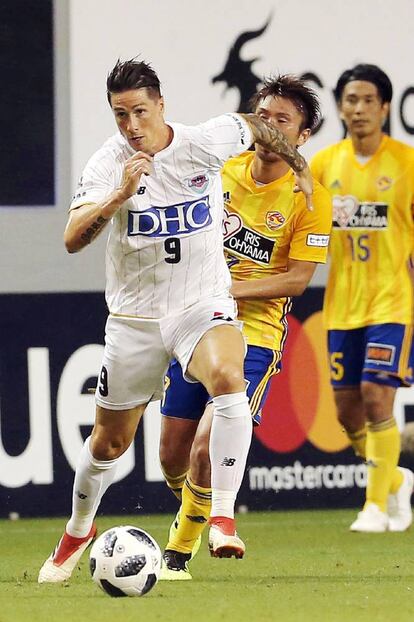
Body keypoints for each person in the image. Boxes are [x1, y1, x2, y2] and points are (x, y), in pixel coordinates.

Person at [38, 58, 315, 583]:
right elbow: (73, 238)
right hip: (135, 319)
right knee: (109, 444)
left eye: (140, 111)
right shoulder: (107, 164)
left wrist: (298, 167)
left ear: (161, 105)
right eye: (120, 115)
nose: (132, 126)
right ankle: (77, 531)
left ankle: (224, 519)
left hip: (200, 304)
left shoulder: (205, 141)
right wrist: (119, 196)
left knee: (230, 380)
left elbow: (258, 127)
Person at [158, 75, 332, 579]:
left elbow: (298, 281)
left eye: (284, 120)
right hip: (196, 323)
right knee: (172, 454)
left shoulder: (310, 197)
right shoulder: (220, 170)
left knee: (207, 443)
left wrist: (225, 290)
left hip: (253, 331)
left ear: (302, 137)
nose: (269, 126)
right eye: (264, 114)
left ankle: (181, 551)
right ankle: (195, 509)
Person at [311, 64, 414, 533]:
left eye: (368, 100)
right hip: (342, 305)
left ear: (386, 107)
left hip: (393, 300)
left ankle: (373, 506)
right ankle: (396, 481)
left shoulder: (407, 164)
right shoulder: (324, 165)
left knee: (378, 397)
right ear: (339, 107)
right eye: (350, 100)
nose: (358, 109)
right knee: (347, 413)